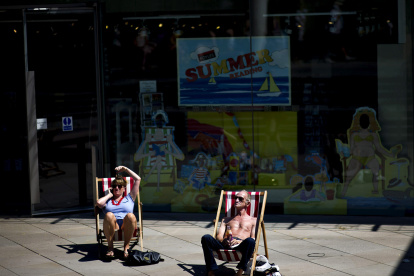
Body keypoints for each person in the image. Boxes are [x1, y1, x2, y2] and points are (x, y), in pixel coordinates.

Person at [341, 109, 395, 197]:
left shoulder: (373, 134)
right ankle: (344, 192)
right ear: (359, 122)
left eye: (365, 121)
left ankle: (376, 190)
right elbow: (351, 150)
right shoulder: (354, 135)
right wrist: (344, 153)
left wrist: (390, 154)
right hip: (356, 158)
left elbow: (379, 148)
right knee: (349, 175)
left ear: (369, 123)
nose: (364, 123)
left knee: (376, 170)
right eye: (363, 121)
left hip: (370, 158)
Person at [201, 190, 256, 276]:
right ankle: (211, 270)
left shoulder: (253, 220)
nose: (237, 200)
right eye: (236, 198)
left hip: (240, 246)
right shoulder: (226, 219)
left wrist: (240, 241)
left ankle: (240, 271)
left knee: (251, 241)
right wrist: (224, 240)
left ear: (247, 203)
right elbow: (219, 236)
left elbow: (253, 238)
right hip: (225, 244)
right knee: (206, 238)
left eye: (240, 198)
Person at [96, 166, 141, 259]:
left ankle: (126, 247)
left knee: (131, 216)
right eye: (114, 186)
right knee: (109, 214)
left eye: (119, 186)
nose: (117, 188)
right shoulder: (107, 200)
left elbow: (138, 179)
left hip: (127, 224)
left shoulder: (130, 198)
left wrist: (126, 169)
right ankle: (110, 248)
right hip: (113, 224)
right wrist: (109, 195)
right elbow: (98, 203)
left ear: (124, 188)